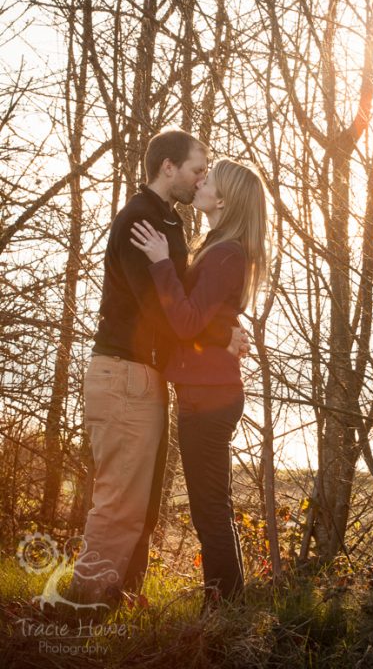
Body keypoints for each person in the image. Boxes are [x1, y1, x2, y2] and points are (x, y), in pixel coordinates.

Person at [70, 130, 248, 608]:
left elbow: (187, 305)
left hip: (145, 377)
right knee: (121, 501)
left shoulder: (169, 222)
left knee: (142, 504)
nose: (200, 179)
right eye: (196, 169)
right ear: (167, 167)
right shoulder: (139, 222)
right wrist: (220, 335)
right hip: (122, 371)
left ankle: (119, 596)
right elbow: (161, 312)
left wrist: (219, 329)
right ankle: (85, 603)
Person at [130, 158, 268, 609]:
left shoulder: (226, 253)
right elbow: (200, 320)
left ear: (224, 200)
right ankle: (228, 604)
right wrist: (226, 335)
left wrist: (159, 263)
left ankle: (224, 609)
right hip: (206, 391)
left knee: (210, 510)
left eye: (210, 179)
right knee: (213, 508)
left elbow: (186, 320)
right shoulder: (218, 246)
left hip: (209, 397)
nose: (201, 180)